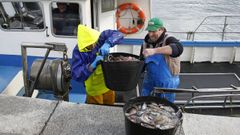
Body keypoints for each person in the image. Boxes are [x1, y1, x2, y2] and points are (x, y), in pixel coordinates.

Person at [71, 25, 124, 105]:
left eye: (94, 43)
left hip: (108, 84)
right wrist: (92, 66)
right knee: (96, 112)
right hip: (94, 89)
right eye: (89, 45)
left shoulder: (100, 37)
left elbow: (119, 34)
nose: (93, 46)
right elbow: (76, 74)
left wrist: (108, 43)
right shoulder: (78, 52)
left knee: (110, 108)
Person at [140, 18, 183, 102]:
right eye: (149, 31)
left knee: (165, 106)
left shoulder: (169, 39)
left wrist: (154, 51)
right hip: (149, 80)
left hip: (168, 82)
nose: (150, 34)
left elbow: (178, 48)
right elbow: (141, 62)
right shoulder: (145, 43)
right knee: (144, 102)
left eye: (153, 31)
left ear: (161, 29)